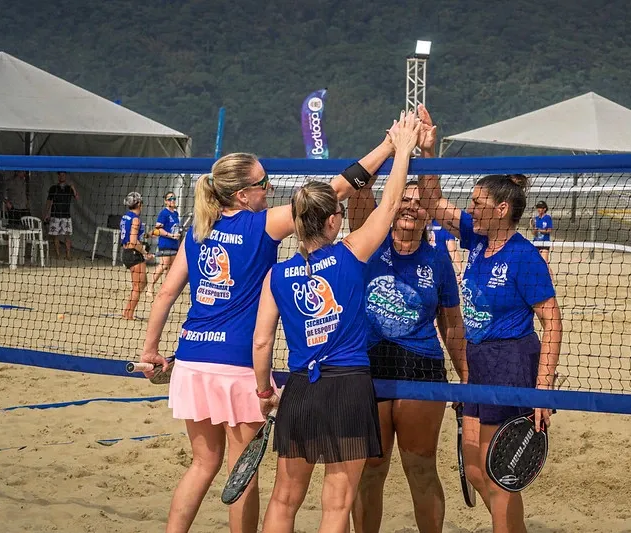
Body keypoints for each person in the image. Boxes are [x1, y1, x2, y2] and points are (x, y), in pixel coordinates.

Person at [139, 129, 397, 533]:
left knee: (202, 464)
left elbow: (166, 293)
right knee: (242, 473)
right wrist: (388, 147)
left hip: (190, 359)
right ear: (243, 194)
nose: (270, 187)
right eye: (263, 182)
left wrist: (150, 350)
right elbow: (334, 192)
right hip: (236, 362)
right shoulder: (262, 225)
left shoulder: (199, 229)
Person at [252, 111, 421, 533]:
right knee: (336, 505)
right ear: (333, 221)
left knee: (284, 499)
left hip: (300, 387)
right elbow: (390, 204)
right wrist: (402, 150)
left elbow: (261, 342)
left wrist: (264, 392)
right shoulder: (350, 252)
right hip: (347, 385)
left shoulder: (276, 274)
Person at [417, 104, 562, 533]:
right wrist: (427, 152)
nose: (471, 208)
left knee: (499, 475)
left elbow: (553, 321)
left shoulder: (524, 256)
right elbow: (431, 202)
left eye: (478, 203)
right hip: (478, 360)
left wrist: (543, 389)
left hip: (510, 361)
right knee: (477, 470)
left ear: (501, 209)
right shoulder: (477, 239)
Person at [347, 174, 466, 533]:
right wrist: (391, 154)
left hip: (421, 366)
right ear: (393, 202)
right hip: (370, 363)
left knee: (421, 468)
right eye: (404, 199)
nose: (412, 207)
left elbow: (452, 324)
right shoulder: (369, 242)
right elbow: (360, 193)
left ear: (430, 212)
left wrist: (467, 379)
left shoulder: (438, 260)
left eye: (420, 202)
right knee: (371, 468)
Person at [120, 192, 153, 320]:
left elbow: (132, 236)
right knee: (137, 286)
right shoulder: (135, 219)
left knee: (142, 283)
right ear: (139, 204)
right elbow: (133, 241)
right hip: (133, 254)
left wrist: (148, 235)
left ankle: (127, 312)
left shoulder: (125, 217)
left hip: (127, 253)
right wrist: (145, 253)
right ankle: (128, 314)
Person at [147, 191, 181, 298]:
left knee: (171, 268)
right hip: (165, 243)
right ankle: (150, 287)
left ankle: (166, 289)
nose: (172, 201)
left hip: (174, 244)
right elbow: (158, 230)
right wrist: (171, 235)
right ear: (165, 201)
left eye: (174, 198)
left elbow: (175, 228)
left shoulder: (175, 214)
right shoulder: (164, 213)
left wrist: (177, 235)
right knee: (163, 265)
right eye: (170, 199)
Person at [44, 171, 78, 260]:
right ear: (58, 176)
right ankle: (58, 254)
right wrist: (46, 214)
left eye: (63, 175)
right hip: (55, 215)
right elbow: (49, 201)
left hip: (66, 216)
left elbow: (77, 198)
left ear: (65, 176)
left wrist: (73, 188)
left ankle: (68, 255)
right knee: (56, 236)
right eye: (60, 175)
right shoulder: (53, 188)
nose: (62, 176)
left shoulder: (69, 188)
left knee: (67, 236)